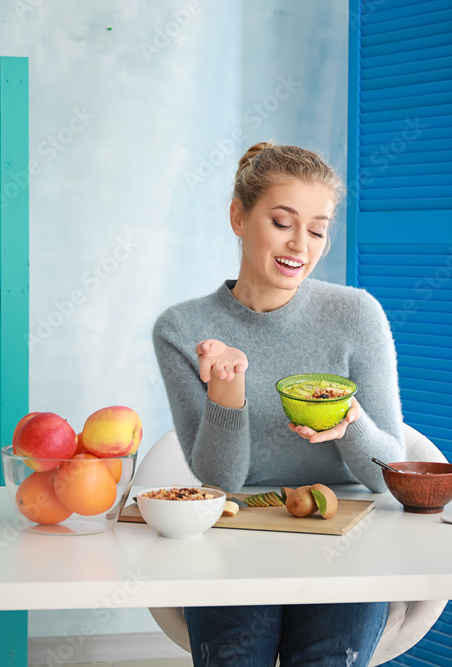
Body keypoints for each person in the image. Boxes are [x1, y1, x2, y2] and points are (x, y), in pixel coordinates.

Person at [153, 142, 405, 666]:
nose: (301, 245)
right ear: (238, 217)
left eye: (317, 229)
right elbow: (221, 480)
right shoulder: (181, 329)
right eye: (283, 222)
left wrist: (352, 424)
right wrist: (227, 386)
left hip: (347, 529)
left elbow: (389, 474)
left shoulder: (356, 315)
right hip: (238, 526)